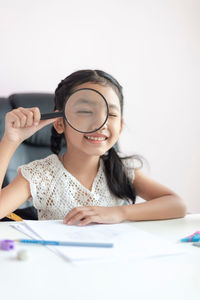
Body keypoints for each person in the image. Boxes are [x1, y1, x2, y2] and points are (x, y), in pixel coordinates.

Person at [0, 70, 186, 225]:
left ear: (120, 126)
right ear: (59, 123)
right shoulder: (40, 175)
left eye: (111, 114)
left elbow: (176, 204)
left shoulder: (123, 170)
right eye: (86, 112)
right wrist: (11, 140)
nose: (100, 123)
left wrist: (119, 213)